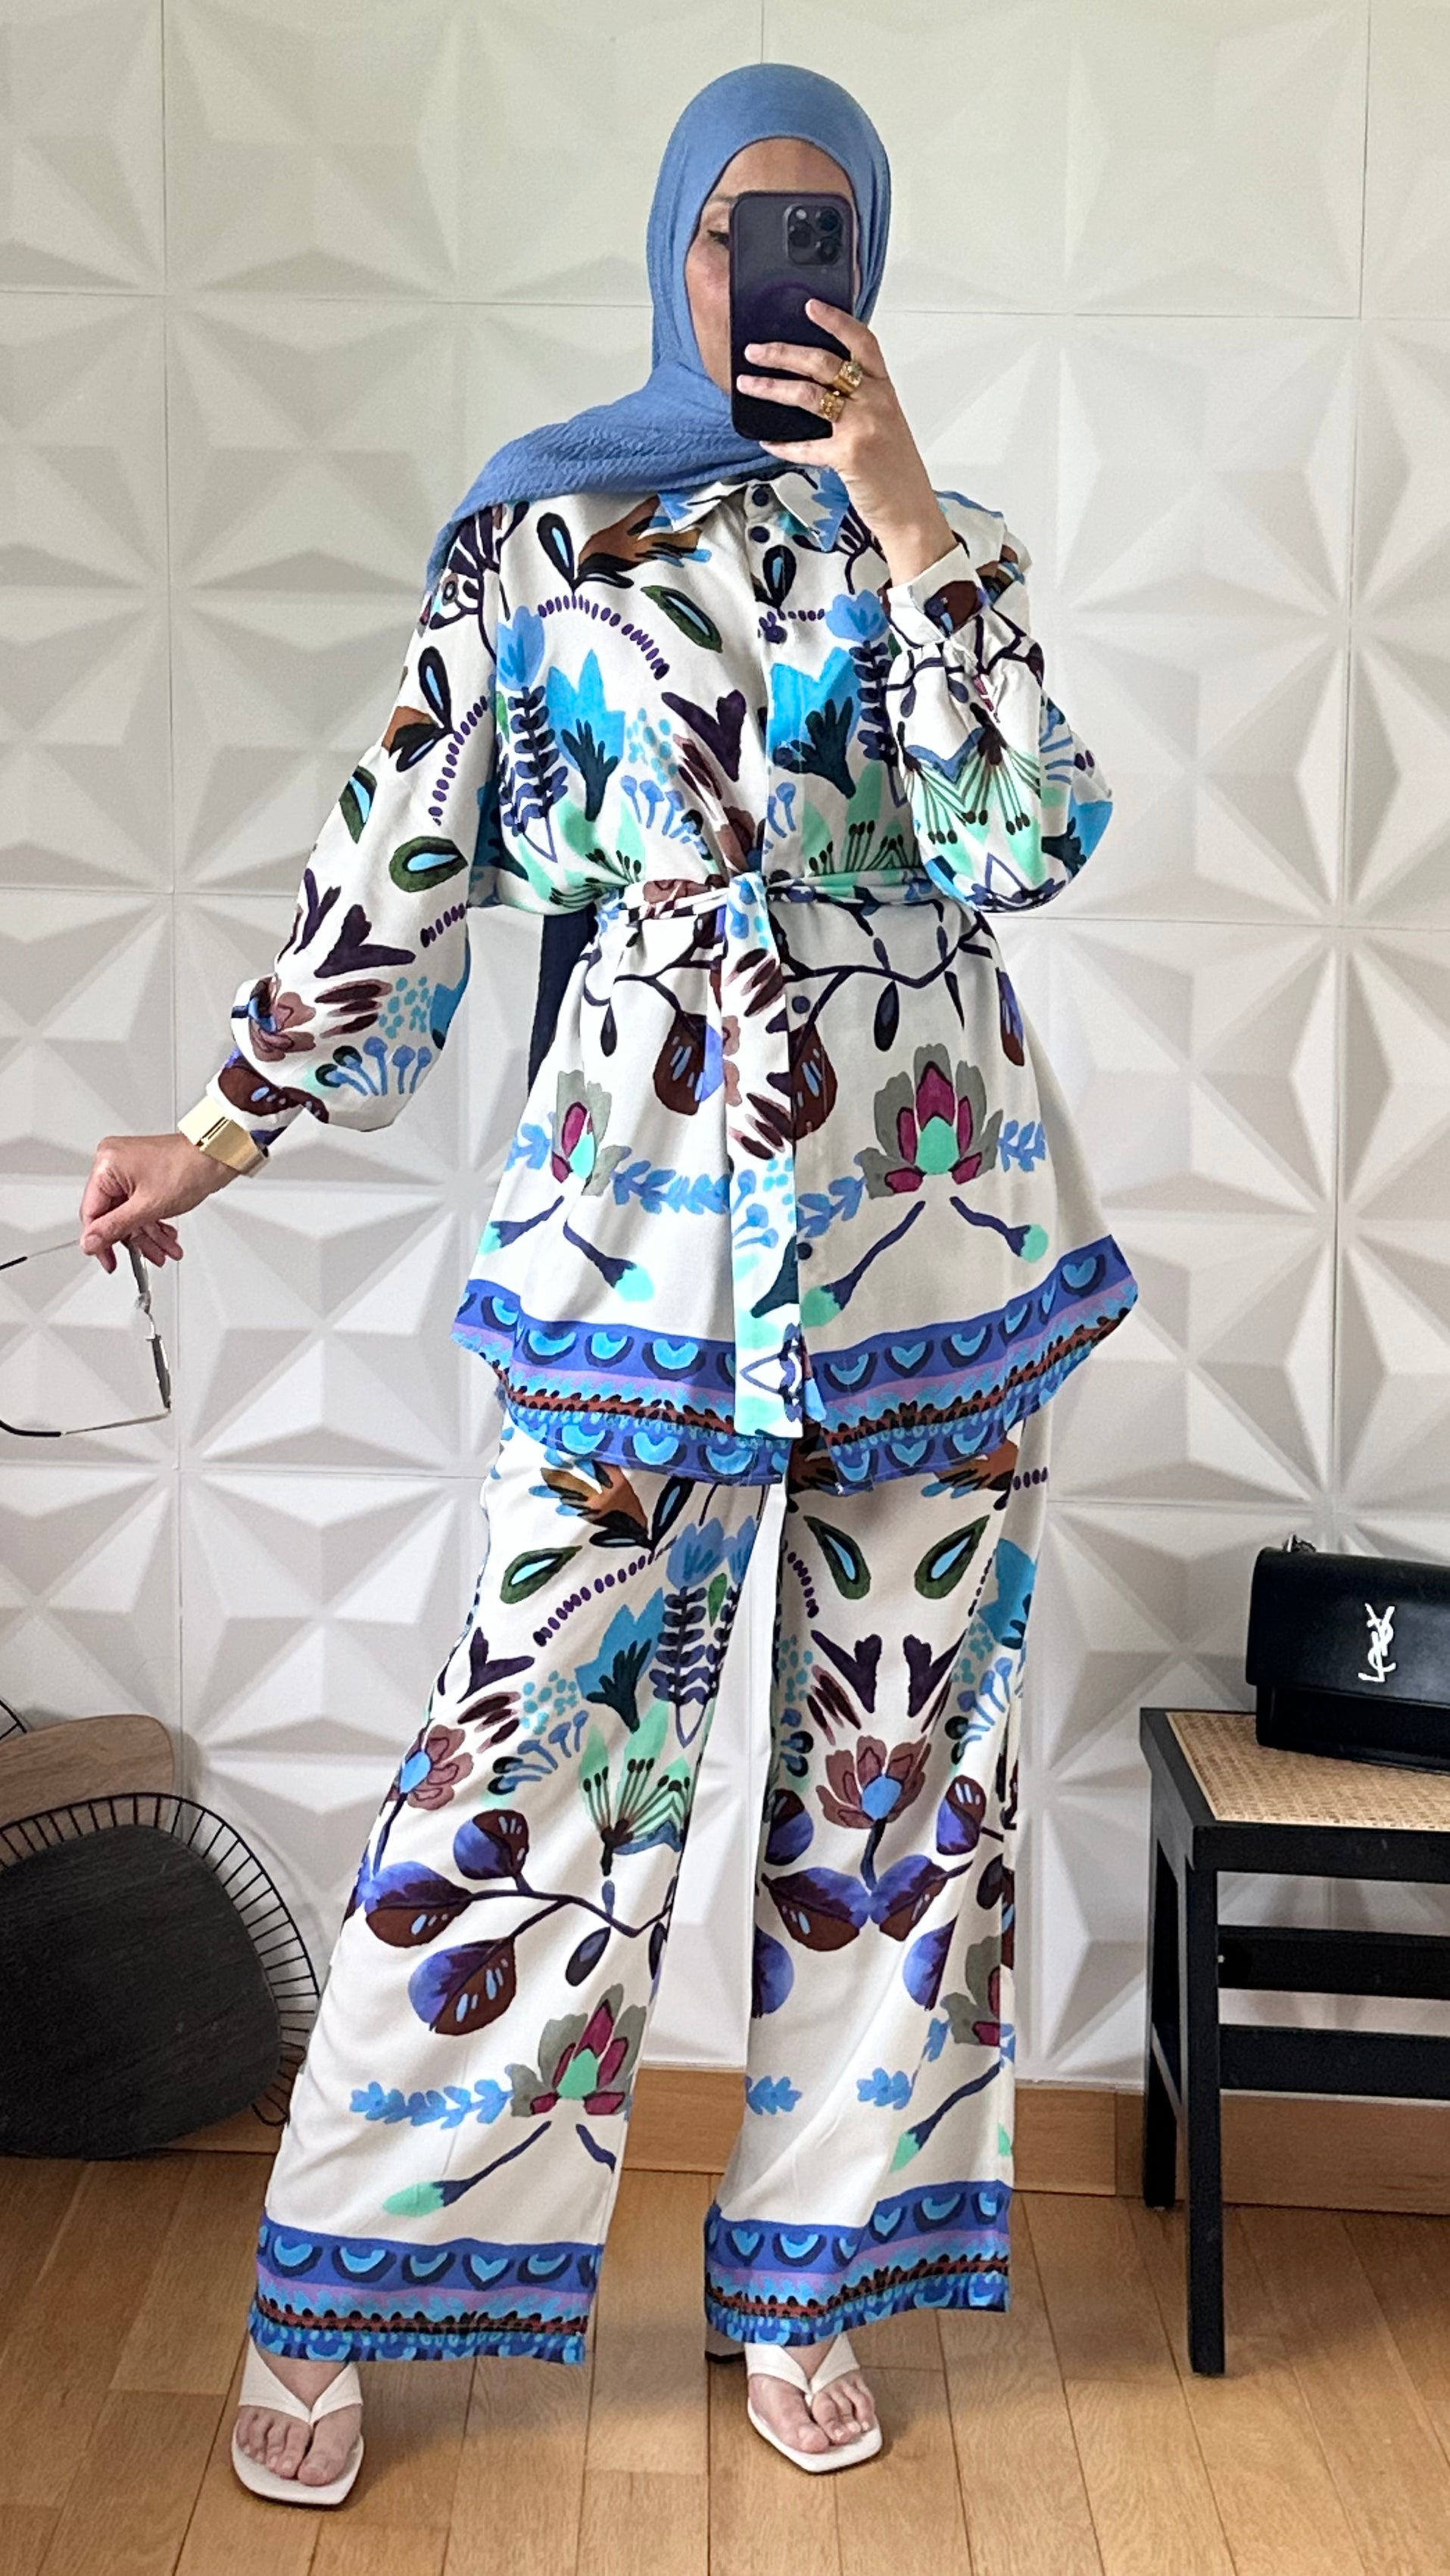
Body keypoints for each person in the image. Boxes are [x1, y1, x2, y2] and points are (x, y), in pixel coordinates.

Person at [79, 62, 1138, 2495]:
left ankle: (811, 2289)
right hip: (635, 1244)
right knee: (517, 1766)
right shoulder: (536, 536)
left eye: (818, 227)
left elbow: (1027, 838)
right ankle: (342, 2286)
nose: (770, 268)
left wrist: (905, 522)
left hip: (938, 1249)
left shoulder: (945, 539)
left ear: (868, 261)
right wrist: (223, 1125)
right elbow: (405, 844)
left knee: (899, 1793)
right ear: (672, 247)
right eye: (734, 225)